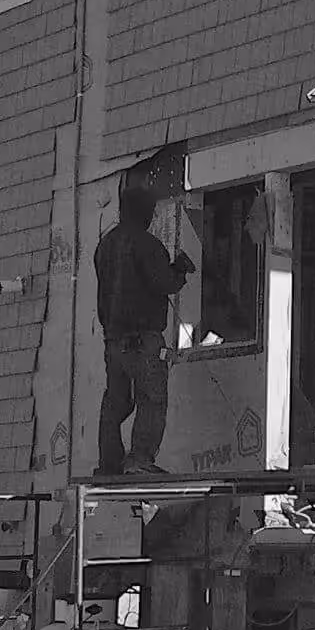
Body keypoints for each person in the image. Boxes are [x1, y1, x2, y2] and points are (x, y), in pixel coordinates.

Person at [96, 165, 193, 476]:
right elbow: (164, 282)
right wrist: (180, 269)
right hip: (143, 339)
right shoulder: (146, 243)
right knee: (151, 399)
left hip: (112, 340)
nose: (152, 216)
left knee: (116, 403)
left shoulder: (105, 245)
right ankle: (139, 461)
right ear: (143, 213)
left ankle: (110, 463)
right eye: (150, 211)